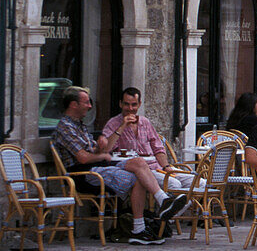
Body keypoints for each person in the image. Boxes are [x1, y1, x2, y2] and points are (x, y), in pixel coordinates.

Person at [53, 86, 188, 245]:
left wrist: (98, 148)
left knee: (139, 164)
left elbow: (92, 152)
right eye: (86, 102)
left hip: (100, 166)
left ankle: (160, 203)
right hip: (83, 174)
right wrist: (103, 153)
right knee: (140, 176)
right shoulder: (65, 127)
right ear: (73, 105)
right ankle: (142, 225)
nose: (90, 106)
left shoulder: (80, 125)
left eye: (134, 104)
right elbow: (82, 158)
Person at [98, 87, 202, 193]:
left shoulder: (145, 122)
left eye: (134, 104)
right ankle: (169, 207)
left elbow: (158, 148)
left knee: (198, 181)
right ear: (120, 104)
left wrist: (166, 166)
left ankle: (189, 207)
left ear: (139, 104)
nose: (130, 108)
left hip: (156, 166)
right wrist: (122, 127)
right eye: (126, 104)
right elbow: (106, 149)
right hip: (137, 170)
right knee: (173, 184)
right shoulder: (113, 123)